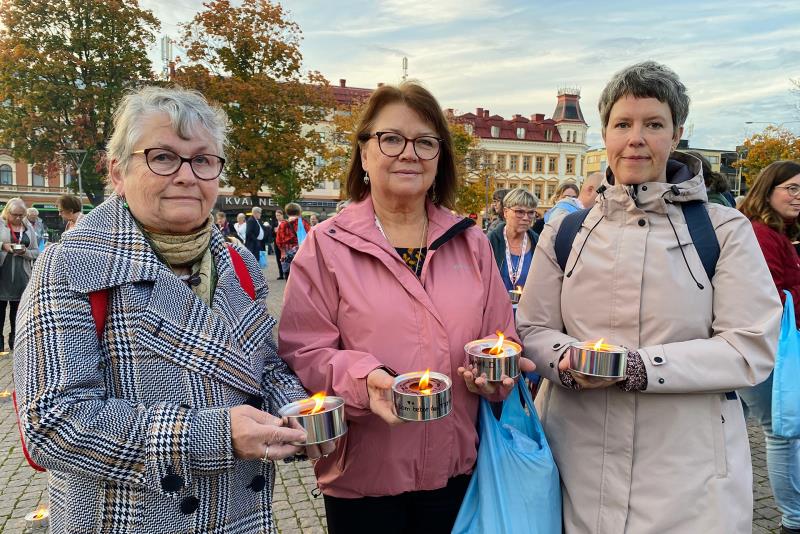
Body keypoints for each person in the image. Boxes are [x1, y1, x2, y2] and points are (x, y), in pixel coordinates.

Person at [13, 86, 333, 533]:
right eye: (163, 157)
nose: (187, 175)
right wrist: (213, 435)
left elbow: (260, 366)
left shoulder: (237, 261)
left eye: (202, 159)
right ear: (118, 171)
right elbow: (50, 424)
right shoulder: (70, 266)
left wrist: (297, 410)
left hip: (239, 517)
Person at [517, 61, 782, 534]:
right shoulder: (565, 230)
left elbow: (750, 347)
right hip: (573, 464)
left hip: (688, 477)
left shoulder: (724, 231)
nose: (636, 138)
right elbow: (532, 328)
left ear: (677, 133)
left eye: (653, 124)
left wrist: (641, 367)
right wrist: (566, 360)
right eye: (623, 124)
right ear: (605, 133)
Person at [278, 81, 533, 534]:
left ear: (440, 158)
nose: (408, 153)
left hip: (457, 474)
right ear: (363, 152)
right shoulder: (326, 245)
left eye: (425, 142)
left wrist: (497, 375)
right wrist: (367, 382)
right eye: (391, 138)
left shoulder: (471, 242)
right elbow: (305, 353)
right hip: (365, 479)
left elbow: (501, 336)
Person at [738, 160, 800, 534]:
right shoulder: (762, 234)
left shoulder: (776, 232)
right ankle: (794, 519)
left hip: (769, 347)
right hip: (764, 348)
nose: (798, 196)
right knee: (780, 432)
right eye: (791, 188)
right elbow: (769, 299)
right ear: (768, 190)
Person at [487, 188, 539, 309]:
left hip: (528, 316)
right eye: (520, 212)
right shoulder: (490, 242)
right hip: (496, 314)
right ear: (505, 212)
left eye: (531, 212)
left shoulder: (539, 243)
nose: (526, 217)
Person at [0, 198, 39, 351]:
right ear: (7, 212)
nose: (18, 218)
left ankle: (15, 341)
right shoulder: (1, 224)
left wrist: (25, 252)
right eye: (15, 215)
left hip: (22, 275)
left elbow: (36, 251)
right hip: (2, 274)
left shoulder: (28, 227)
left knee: (18, 313)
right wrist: (3, 246)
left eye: (21, 215)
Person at [274, 202, 310, 279]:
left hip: (287, 256)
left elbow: (278, 241)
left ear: (287, 213)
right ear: (299, 212)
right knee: (302, 279)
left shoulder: (283, 225)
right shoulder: (304, 223)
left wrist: (283, 251)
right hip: (301, 255)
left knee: (289, 279)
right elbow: (310, 237)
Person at [272, 210, 285, 280]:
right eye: (277, 215)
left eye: (279, 215)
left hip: (284, 244)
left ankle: (286, 272)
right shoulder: (274, 223)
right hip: (277, 244)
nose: (278, 217)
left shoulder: (285, 222)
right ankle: (281, 274)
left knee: (285, 259)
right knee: (278, 259)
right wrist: (274, 231)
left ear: (282, 215)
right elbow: (271, 234)